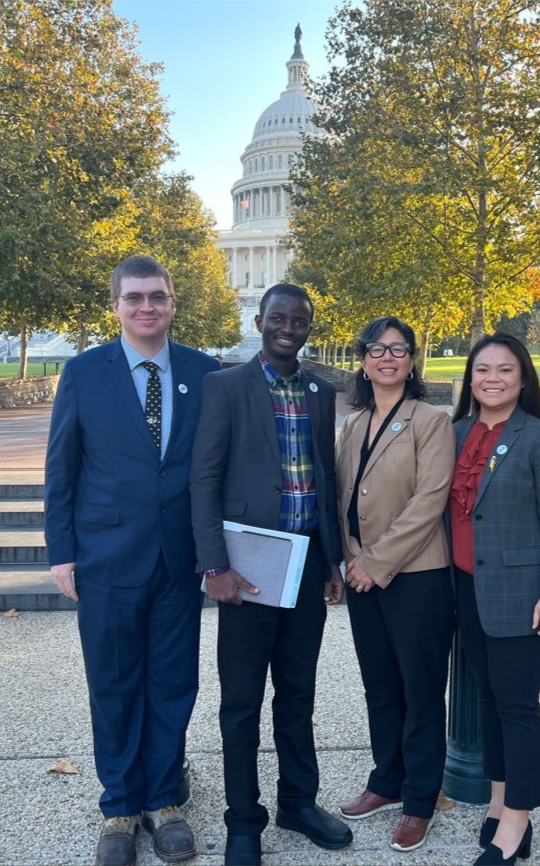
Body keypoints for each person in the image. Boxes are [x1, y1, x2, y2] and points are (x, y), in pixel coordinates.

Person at [44, 255, 219, 866]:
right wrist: (61, 553)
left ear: (173, 303)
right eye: (136, 298)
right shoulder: (85, 372)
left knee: (173, 683)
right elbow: (61, 468)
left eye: (159, 297)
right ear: (116, 305)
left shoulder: (204, 372)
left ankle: (165, 800)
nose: (148, 307)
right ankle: (119, 804)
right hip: (107, 556)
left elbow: (212, 469)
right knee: (114, 686)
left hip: (178, 561)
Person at [190, 283, 351, 866]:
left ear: (310, 325)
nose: (288, 326)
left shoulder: (319, 390)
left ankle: (298, 803)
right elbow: (203, 479)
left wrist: (332, 560)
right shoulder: (226, 386)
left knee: (298, 693)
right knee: (240, 700)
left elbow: (326, 480)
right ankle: (243, 820)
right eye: (278, 317)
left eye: (299, 319)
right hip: (248, 566)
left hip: (307, 564)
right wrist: (214, 565)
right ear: (260, 321)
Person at [449, 333, 540, 866]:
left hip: (521, 594)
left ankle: (518, 823)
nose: (493, 379)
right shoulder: (455, 433)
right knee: (485, 700)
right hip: (463, 588)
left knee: (518, 707)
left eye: (505, 369)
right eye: (483, 370)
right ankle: (500, 802)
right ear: (470, 378)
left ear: (523, 378)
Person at [336, 316, 455, 852]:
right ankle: (387, 780)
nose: (387, 358)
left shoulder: (431, 421)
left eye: (398, 349)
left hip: (415, 576)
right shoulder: (354, 423)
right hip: (363, 576)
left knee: (421, 690)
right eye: (376, 350)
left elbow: (428, 501)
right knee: (380, 686)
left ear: (412, 361)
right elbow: (343, 498)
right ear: (362, 360)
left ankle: (420, 797)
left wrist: (375, 561)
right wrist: (348, 560)